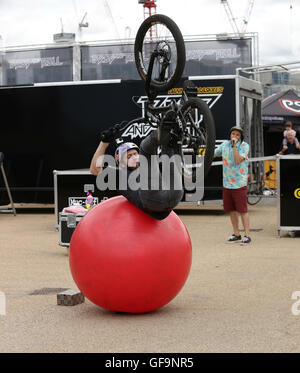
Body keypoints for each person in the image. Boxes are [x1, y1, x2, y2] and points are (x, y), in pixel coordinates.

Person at [90, 113, 184, 221]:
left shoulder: (152, 166)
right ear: (120, 162)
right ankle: (163, 127)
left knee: (169, 147)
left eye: (135, 154)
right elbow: (94, 169)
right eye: (129, 156)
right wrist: (104, 142)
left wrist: (177, 145)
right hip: (152, 202)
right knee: (145, 147)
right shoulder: (118, 175)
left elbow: (178, 167)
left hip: (173, 198)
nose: (134, 157)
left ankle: (175, 123)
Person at [214, 126, 251, 245]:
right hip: (227, 183)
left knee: (242, 210)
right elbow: (214, 153)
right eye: (233, 134)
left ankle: (247, 235)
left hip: (239, 183)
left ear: (241, 137)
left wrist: (234, 146)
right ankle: (236, 234)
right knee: (231, 210)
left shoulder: (244, 146)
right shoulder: (224, 145)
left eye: (237, 135)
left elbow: (237, 160)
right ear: (230, 135)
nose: (234, 136)